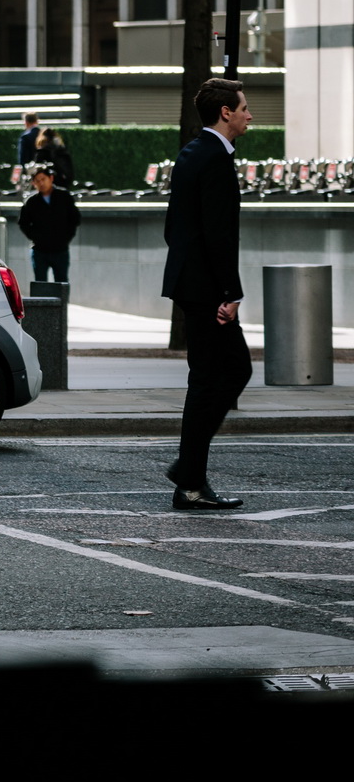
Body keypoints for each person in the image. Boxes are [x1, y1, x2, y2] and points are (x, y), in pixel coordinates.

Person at [160, 77, 254, 511]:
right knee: (226, 373)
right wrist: (229, 293)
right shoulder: (214, 159)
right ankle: (190, 479)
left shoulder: (191, 153)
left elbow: (173, 229)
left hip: (190, 284)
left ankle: (189, 470)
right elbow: (219, 235)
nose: (249, 114)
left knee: (218, 374)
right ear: (226, 113)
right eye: (244, 108)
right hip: (207, 289)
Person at [17, 166, 80, 282]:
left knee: (61, 282)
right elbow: (23, 223)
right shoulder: (31, 202)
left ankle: (62, 301)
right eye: (37, 181)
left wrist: (66, 237)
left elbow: (75, 219)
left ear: (51, 178)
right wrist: (35, 237)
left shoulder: (64, 197)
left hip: (60, 249)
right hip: (39, 250)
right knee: (40, 283)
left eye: (43, 179)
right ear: (34, 183)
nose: (41, 183)